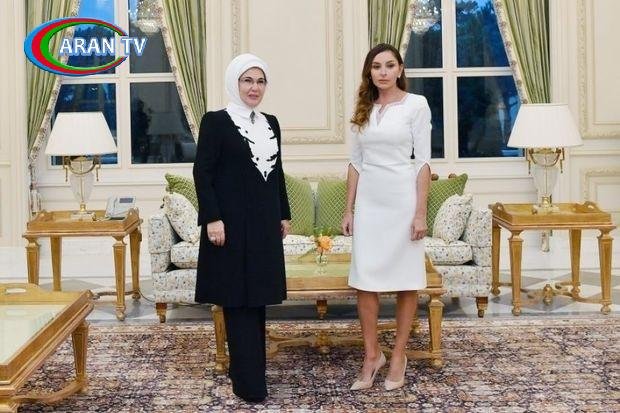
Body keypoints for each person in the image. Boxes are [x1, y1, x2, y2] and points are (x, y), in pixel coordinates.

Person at [193, 53, 291, 403]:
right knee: (237, 300)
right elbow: (202, 172)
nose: (254, 87)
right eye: (247, 80)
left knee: (258, 298)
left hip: (264, 224)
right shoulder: (216, 121)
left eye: (260, 81)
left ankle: (250, 373)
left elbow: (277, 171)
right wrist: (212, 218)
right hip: (229, 225)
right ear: (234, 83)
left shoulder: (271, 123)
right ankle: (248, 383)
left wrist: (283, 213)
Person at [341, 43, 431, 391]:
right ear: (369, 71)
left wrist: (420, 213)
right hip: (370, 205)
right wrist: (349, 209)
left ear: (400, 69)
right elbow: (355, 163)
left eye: (389, 65)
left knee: (407, 281)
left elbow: (423, 162)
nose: (382, 72)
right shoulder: (363, 108)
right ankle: (372, 355)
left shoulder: (416, 105)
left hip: (402, 202)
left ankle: (398, 357)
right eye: (376, 66)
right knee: (365, 281)